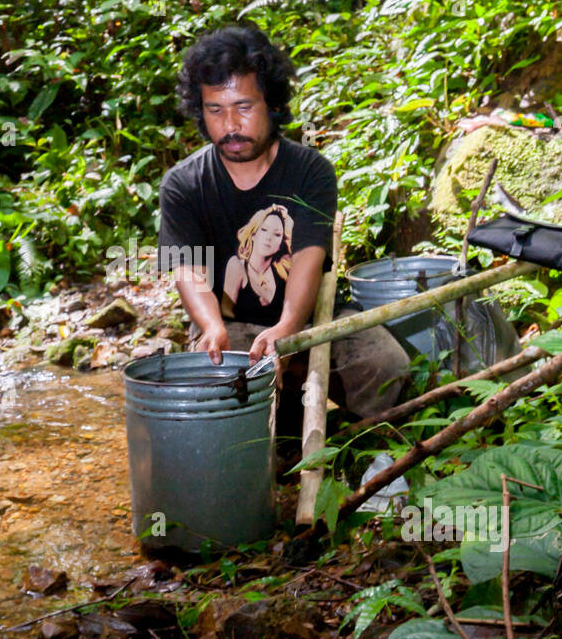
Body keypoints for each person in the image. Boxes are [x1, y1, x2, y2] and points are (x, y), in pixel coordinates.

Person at [158, 23, 410, 465]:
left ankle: (370, 456)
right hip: (229, 326)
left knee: (387, 368)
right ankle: (267, 449)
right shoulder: (183, 184)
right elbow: (188, 271)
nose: (230, 125)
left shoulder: (310, 172)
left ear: (272, 105)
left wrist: (287, 328)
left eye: (243, 107)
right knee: (229, 406)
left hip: (310, 318)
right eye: (214, 110)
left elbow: (310, 257)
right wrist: (211, 326)